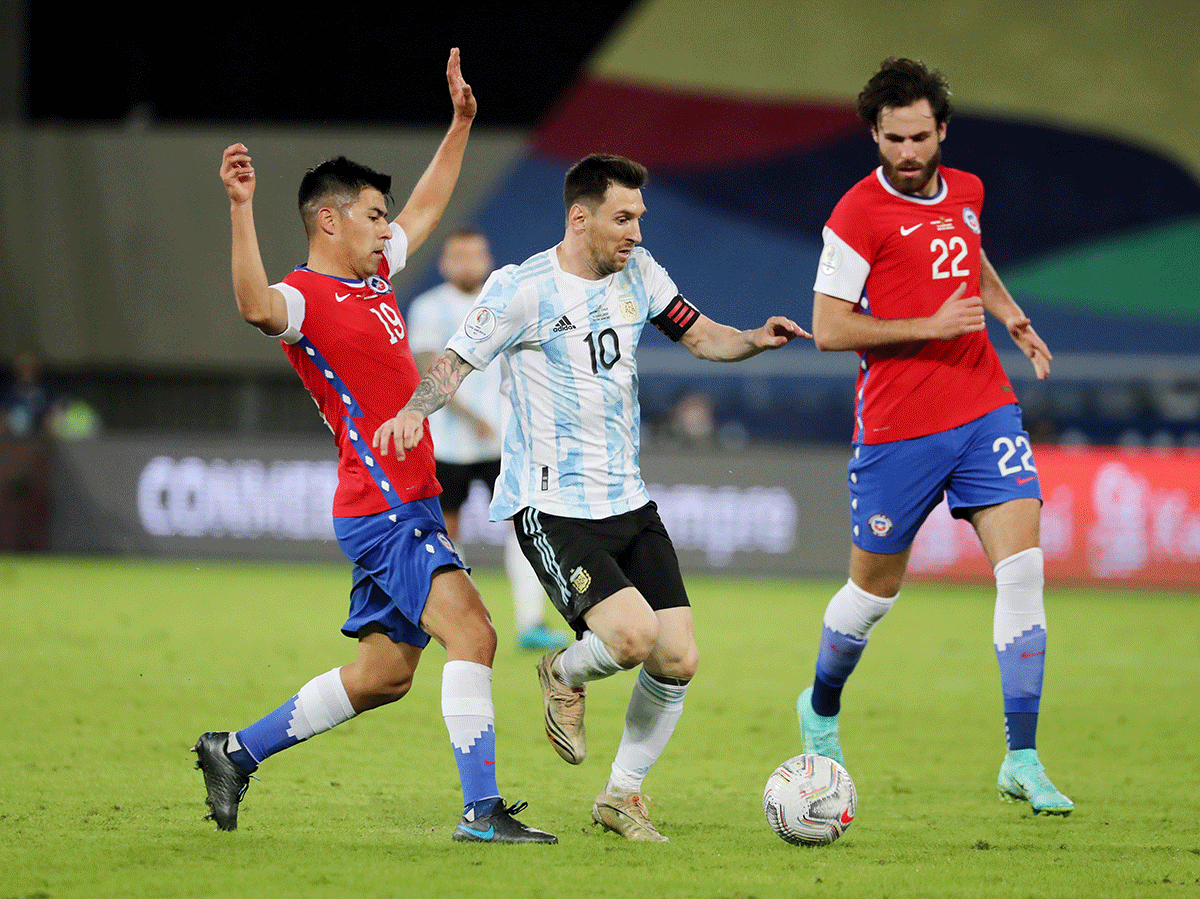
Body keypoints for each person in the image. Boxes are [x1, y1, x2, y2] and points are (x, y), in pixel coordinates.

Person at [374, 153, 808, 841]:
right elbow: (454, 360)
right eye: (623, 217)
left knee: (678, 656)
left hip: (627, 501)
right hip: (554, 505)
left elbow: (698, 335)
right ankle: (561, 669)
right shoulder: (522, 289)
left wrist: (754, 339)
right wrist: (412, 412)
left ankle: (621, 795)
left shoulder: (640, 271)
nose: (636, 230)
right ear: (581, 217)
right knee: (632, 637)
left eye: (640, 217)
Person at [196, 49, 556, 844]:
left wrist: (461, 124)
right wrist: (240, 206)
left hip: (406, 497)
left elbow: (425, 208)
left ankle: (234, 750)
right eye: (371, 214)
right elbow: (255, 305)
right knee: (477, 634)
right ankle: (481, 811)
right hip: (383, 503)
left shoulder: (373, 279)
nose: (388, 227)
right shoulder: (307, 296)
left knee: (386, 675)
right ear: (329, 219)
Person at [797, 57, 1072, 815]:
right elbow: (827, 327)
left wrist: (1009, 314)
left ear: (941, 129)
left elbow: (967, 251)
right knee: (871, 595)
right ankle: (820, 707)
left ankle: (1022, 756)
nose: (909, 153)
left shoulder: (969, 190)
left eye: (921, 137)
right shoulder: (855, 215)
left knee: (1021, 573)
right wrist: (928, 324)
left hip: (985, 405)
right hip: (897, 428)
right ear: (875, 137)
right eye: (894, 140)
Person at [406, 228, 570, 652]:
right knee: (446, 532)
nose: (467, 263)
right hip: (446, 444)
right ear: (445, 263)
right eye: (458, 256)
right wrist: (470, 415)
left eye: (475, 255)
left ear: (487, 259)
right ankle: (455, 619)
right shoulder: (428, 308)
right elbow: (430, 369)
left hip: (505, 442)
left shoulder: (507, 300)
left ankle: (530, 623)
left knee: (524, 527)